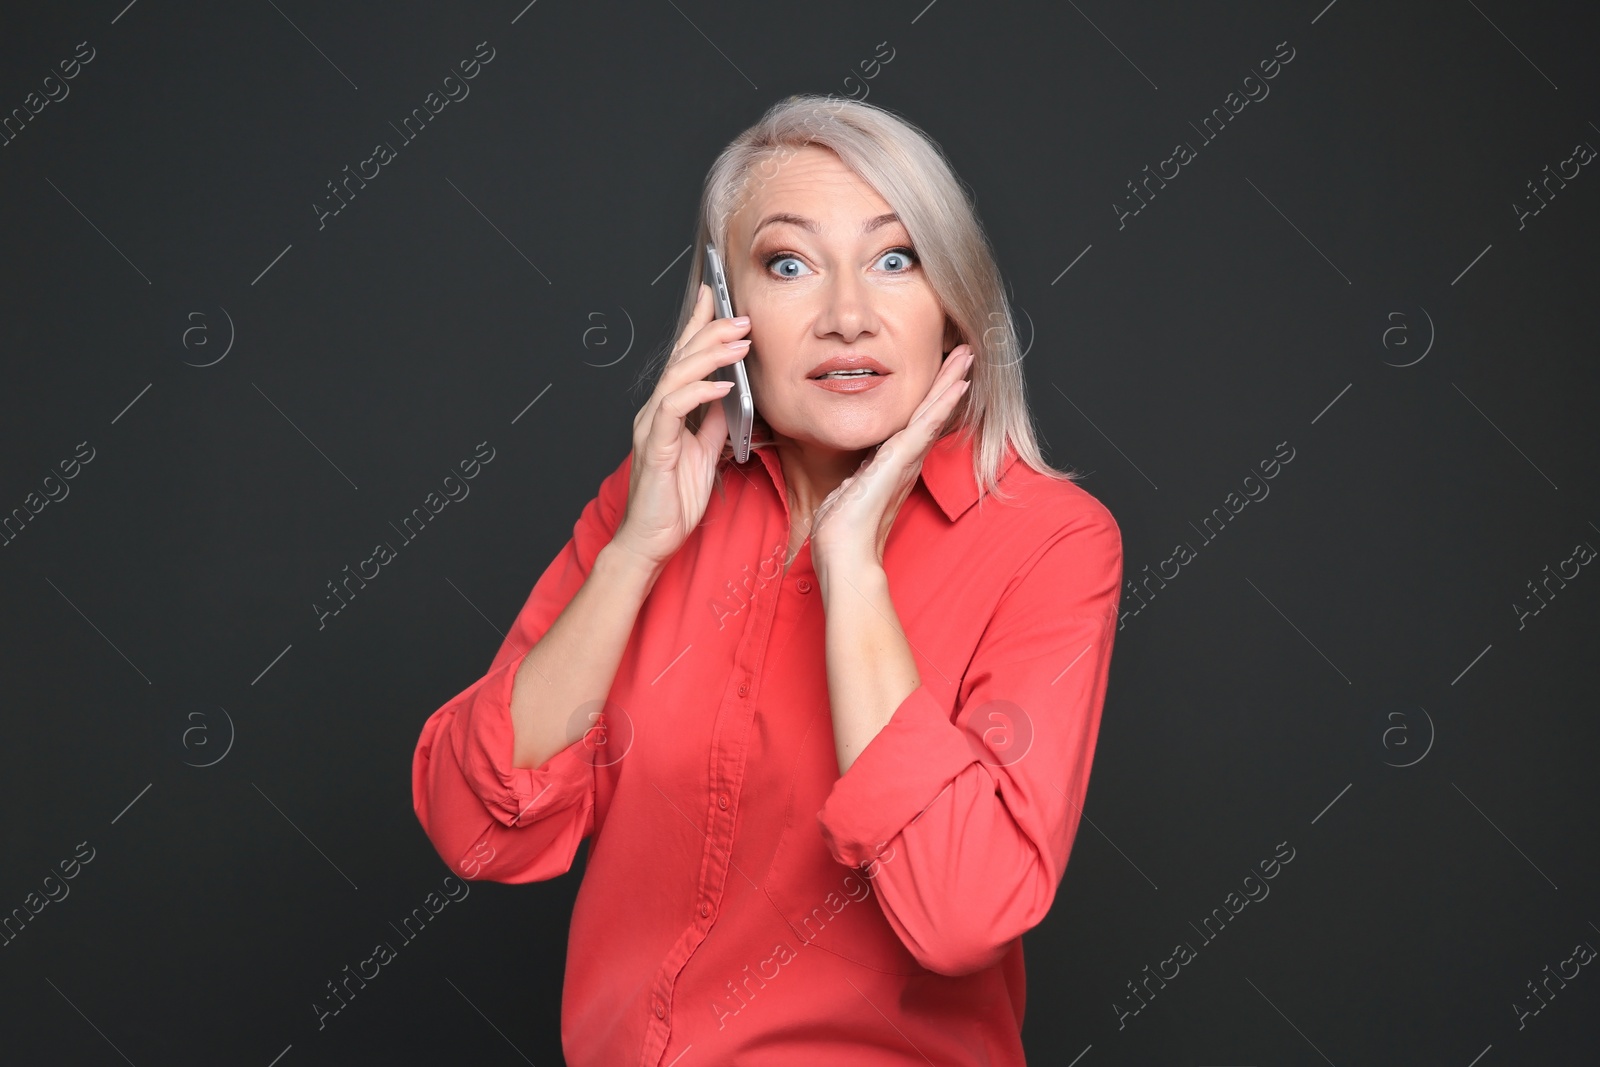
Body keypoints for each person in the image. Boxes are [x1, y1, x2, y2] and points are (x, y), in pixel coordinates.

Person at [411, 94, 1123, 1066]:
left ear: (954, 299)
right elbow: (475, 824)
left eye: (895, 258)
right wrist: (634, 549)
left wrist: (851, 572)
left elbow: (961, 914)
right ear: (724, 307)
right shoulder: (659, 498)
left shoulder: (1049, 539)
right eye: (788, 264)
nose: (845, 317)